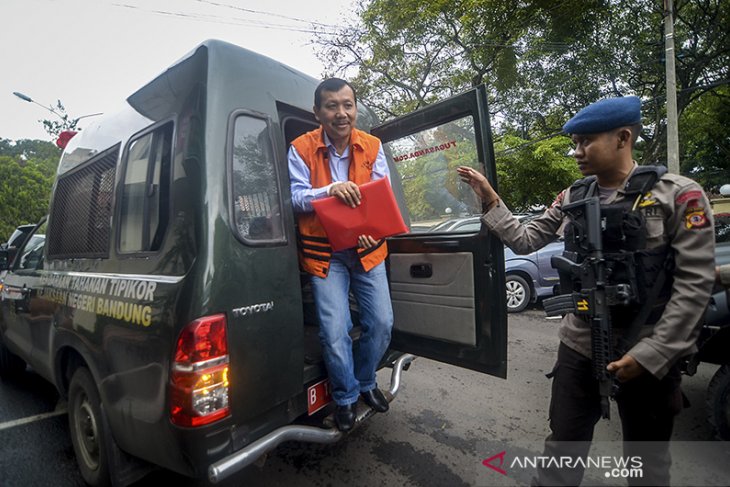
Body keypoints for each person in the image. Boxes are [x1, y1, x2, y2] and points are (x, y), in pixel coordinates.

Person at [458, 96, 716, 486]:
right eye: (574, 143)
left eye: (585, 142)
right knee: (562, 451)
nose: (576, 152)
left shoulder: (678, 195)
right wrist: (490, 198)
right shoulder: (573, 196)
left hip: (648, 352)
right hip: (579, 345)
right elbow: (526, 240)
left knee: (647, 466)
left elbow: (695, 285)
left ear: (623, 137)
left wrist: (653, 354)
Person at [288, 78, 393, 432]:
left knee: (381, 324)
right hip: (325, 255)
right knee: (334, 332)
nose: (341, 113)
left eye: (347, 104)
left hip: (367, 250)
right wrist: (330, 190)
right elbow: (296, 198)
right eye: (332, 106)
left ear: (355, 108)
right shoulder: (300, 148)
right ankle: (346, 397)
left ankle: (365, 381)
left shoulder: (373, 146)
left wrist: (372, 230)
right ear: (317, 112)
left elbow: (382, 196)